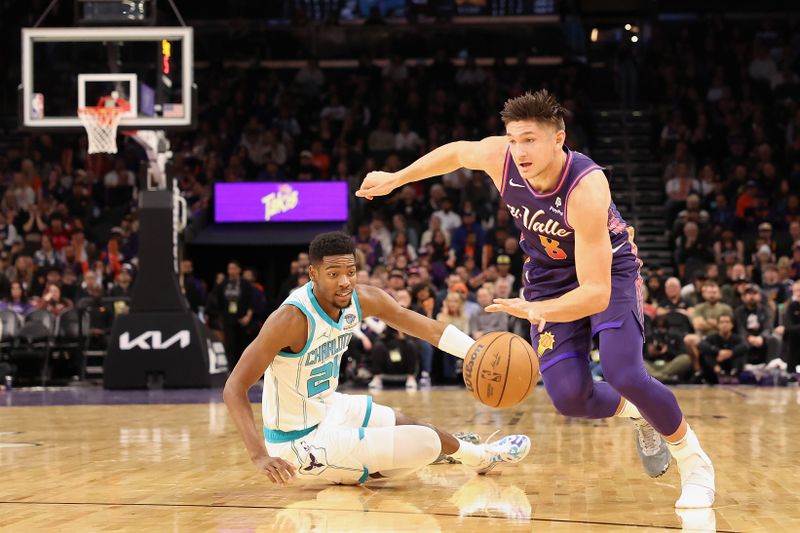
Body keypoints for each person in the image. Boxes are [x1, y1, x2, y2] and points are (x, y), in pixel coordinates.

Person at [357, 89, 715, 508]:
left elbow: (595, 292)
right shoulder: (501, 158)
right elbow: (456, 153)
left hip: (610, 274)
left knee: (623, 372)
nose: (520, 150)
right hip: (547, 277)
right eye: (513, 138)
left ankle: (695, 463)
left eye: (529, 139)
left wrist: (538, 310)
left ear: (558, 139)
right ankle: (641, 413)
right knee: (569, 397)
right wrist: (396, 179)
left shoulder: (586, 187)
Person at [224, 232, 530, 486]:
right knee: (423, 443)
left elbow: (429, 330)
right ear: (313, 274)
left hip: (331, 407)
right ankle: (461, 455)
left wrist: (476, 352)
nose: (345, 281)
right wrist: (259, 455)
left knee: (412, 425)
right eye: (333, 274)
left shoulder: (363, 299)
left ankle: (472, 456)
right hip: (298, 440)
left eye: (351, 271)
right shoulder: (291, 319)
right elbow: (234, 387)